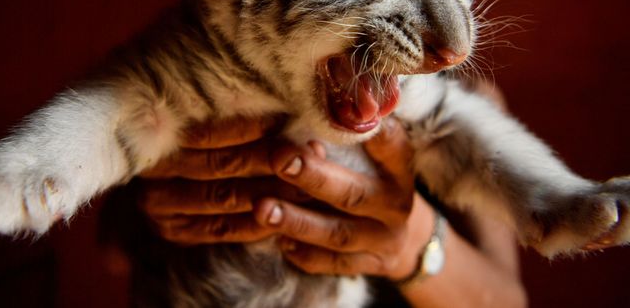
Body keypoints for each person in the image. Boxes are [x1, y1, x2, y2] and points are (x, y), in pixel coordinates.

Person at [136, 112, 528, 307]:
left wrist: (410, 242)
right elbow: (115, 251)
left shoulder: (459, 110)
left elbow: (507, 302)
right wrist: (153, 187)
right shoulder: (197, 54)